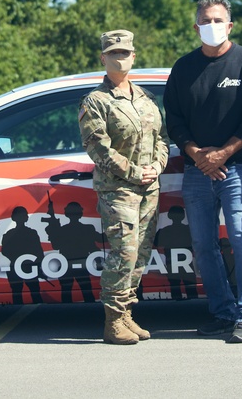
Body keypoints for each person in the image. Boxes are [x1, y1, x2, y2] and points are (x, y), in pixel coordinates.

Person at [164, 0, 242, 344]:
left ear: (230, 25)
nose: (212, 26)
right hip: (198, 171)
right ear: (196, 27)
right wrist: (198, 155)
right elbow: (175, 120)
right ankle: (223, 311)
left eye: (218, 20)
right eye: (205, 21)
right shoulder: (183, 68)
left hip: (238, 167)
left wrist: (223, 153)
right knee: (203, 244)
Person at [79, 29, 169, 345]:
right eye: (113, 53)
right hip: (119, 190)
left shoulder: (146, 98)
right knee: (124, 253)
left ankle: (127, 313)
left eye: (125, 52)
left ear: (134, 56)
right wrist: (133, 172)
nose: (120, 57)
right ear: (103, 58)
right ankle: (113, 321)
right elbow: (98, 148)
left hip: (149, 188)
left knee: (141, 254)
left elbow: (162, 140)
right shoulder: (96, 101)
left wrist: (157, 166)